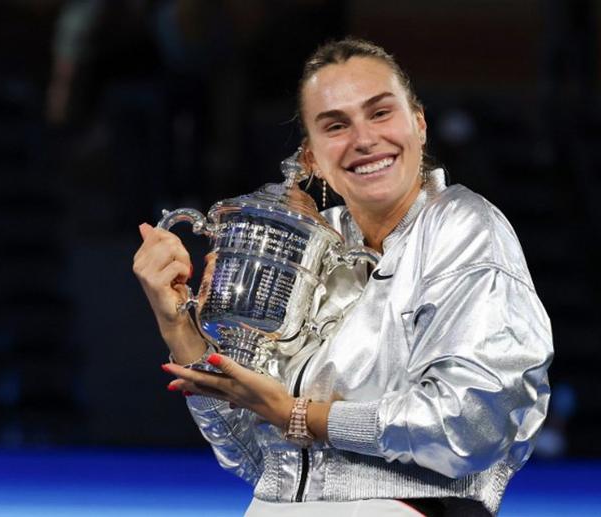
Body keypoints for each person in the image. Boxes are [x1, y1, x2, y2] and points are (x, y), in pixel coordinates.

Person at [133, 38, 553, 517]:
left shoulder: (465, 227)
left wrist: (300, 415)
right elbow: (255, 458)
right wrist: (178, 326)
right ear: (312, 157)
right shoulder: (313, 244)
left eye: (380, 113)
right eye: (336, 125)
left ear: (418, 124)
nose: (364, 139)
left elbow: (471, 424)